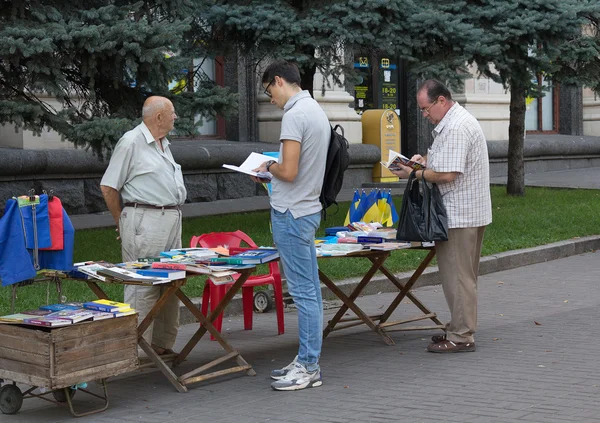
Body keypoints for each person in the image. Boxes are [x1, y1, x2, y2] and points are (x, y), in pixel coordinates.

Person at [391, 79, 492, 353]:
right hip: (465, 212)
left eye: (426, 109)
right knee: (460, 275)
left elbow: (448, 174)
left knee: (457, 276)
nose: (424, 115)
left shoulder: (457, 126)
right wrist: (423, 161)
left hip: (461, 213)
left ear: (441, 101)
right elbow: (446, 161)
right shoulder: (454, 122)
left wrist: (413, 173)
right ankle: (458, 326)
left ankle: (461, 336)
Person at [252, 61, 329, 390]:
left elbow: (290, 171)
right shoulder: (315, 110)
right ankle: (306, 359)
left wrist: (268, 165)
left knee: (303, 293)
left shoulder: (295, 115)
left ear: (280, 81)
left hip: (292, 213)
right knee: (309, 290)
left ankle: (309, 365)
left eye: (270, 91)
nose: (271, 99)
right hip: (306, 209)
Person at [100, 95, 187, 357]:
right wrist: (122, 222)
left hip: (171, 219)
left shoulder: (163, 143)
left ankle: (161, 344)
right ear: (158, 117)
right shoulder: (131, 142)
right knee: (143, 286)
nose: (175, 117)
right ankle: (134, 350)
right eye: (172, 113)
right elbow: (108, 186)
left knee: (172, 283)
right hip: (145, 220)